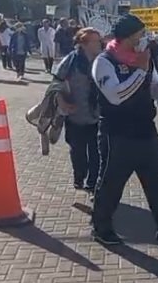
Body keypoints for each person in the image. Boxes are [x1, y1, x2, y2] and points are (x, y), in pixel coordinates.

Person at [91, 14, 158, 253]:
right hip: (117, 136)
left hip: (146, 134)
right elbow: (115, 96)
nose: (144, 39)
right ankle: (101, 228)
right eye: (139, 35)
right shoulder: (104, 61)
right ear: (127, 37)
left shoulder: (144, 59)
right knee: (110, 186)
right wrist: (140, 71)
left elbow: (155, 92)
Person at [54, 27, 102, 192]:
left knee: (97, 152)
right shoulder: (71, 61)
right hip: (75, 116)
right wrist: (62, 103)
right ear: (84, 44)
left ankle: (93, 182)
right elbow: (56, 84)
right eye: (96, 41)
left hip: (97, 116)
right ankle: (79, 176)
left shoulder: (103, 61)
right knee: (78, 151)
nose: (99, 44)